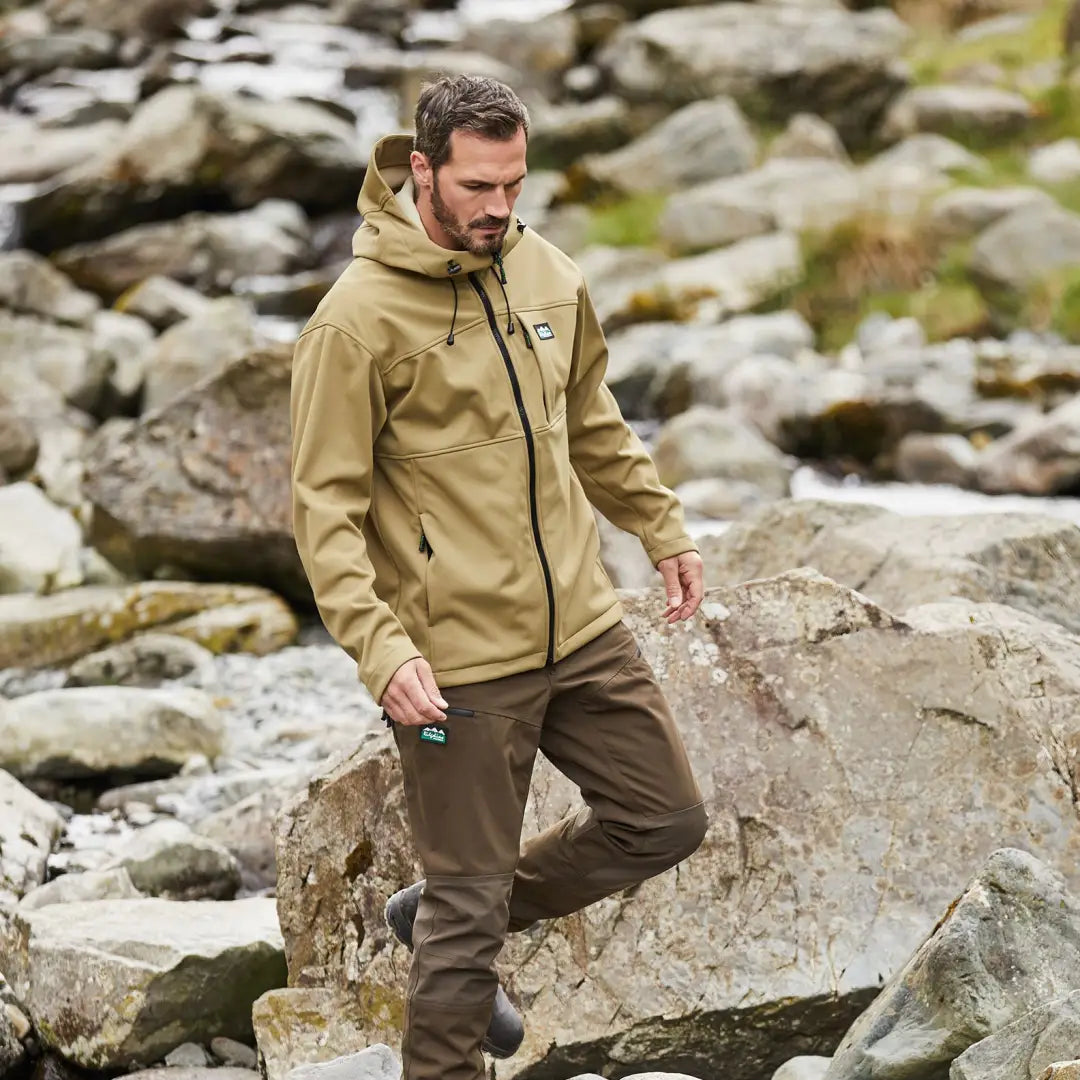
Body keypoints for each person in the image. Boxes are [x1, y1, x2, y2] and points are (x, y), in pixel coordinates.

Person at [289, 73, 708, 1080]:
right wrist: (383, 651)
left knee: (665, 820)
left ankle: (440, 915)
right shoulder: (354, 324)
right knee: (467, 924)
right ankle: (451, 953)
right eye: (479, 187)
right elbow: (323, 511)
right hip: (457, 664)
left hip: (581, 627)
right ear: (421, 170)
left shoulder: (548, 275)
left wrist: (661, 527)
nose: (500, 208)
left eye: (515, 184)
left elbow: (594, 424)